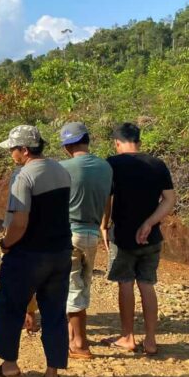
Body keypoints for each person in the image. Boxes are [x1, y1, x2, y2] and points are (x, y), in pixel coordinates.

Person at [0, 125, 72, 377]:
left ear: (24, 150)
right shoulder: (61, 170)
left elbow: (20, 222)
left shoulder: (24, 177)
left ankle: (10, 365)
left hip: (28, 255)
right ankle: (52, 376)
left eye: (13, 149)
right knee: (55, 314)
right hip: (60, 253)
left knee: (9, 307)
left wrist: (5, 244)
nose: (11, 154)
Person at [101, 122, 174, 356]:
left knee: (125, 283)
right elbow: (170, 200)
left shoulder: (111, 164)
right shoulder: (157, 164)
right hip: (151, 237)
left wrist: (104, 225)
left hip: (122, 235)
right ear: (139, 142)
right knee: (147, 284)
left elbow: (106, 199)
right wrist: (149, 223)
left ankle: (128, 337)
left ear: (117, 143)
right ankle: (151, 340)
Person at [57, 122, 112, 359]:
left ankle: (79, 344)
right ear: (87, 140)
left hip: (69, 233)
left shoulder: (62, 168)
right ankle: (72, 337)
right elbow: (109, 201)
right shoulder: (106, 167)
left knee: (71, 286)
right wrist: (104, 225)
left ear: (67, 146)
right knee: (83, 284)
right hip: (92, 233)